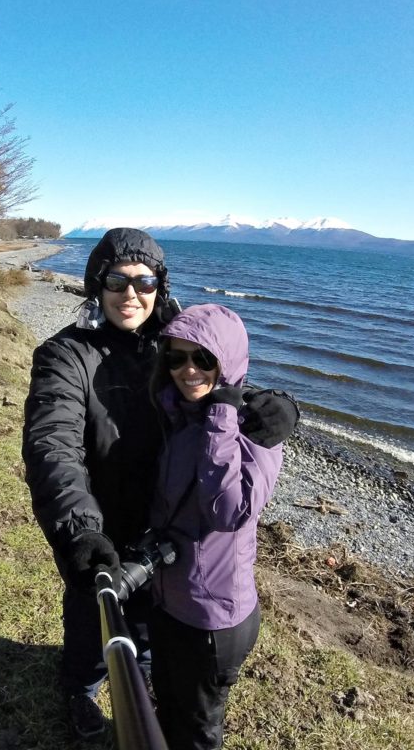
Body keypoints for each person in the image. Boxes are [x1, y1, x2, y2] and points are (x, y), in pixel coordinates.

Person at [22, 227, 298, 738]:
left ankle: (143, 671)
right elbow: (52, 446)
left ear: (160, 286)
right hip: (101, 519)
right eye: (117, 280)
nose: (132, 294)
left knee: (153, 620)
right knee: (92, 615)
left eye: (145, 281)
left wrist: (279, 406)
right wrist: (80, 529)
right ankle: (81, 688)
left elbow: (219, 368)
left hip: (167, 522)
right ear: (95, 285)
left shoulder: (176, 340)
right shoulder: (66, 356)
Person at [147, 303, 284, 749]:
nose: (188, 370)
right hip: (170, 598)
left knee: (198, 729)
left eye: (203, 359)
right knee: (167, 702)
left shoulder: (256, 431)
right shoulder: (175, 413)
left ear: (227, 364)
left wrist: (224, 414)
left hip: (213, 617)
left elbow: (228, 511)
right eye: (177, 357)